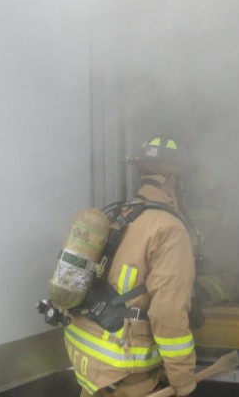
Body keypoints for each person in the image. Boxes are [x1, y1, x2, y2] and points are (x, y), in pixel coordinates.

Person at [64, 135, 198, 397]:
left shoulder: (119, 215)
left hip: (91, 366)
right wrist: (182, 380)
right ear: (172, 179)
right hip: (127, 373)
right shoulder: (169, 228)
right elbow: (168, 314)